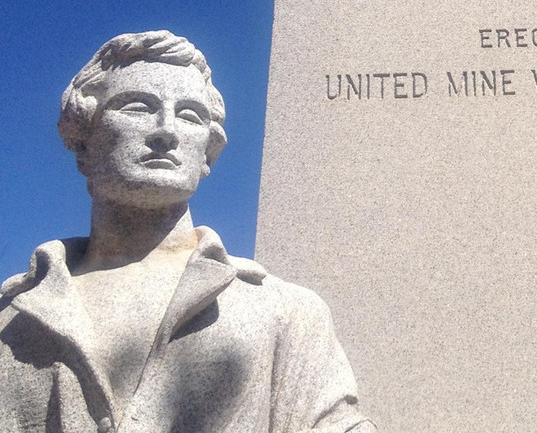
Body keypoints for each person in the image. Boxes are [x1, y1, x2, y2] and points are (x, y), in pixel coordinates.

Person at [0, 30, 376, 432]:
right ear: (84, 139)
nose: (166, 131)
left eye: (189, 116)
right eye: (137, 108)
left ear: (208, 153)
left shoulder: (285, 311)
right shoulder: (11, 318)